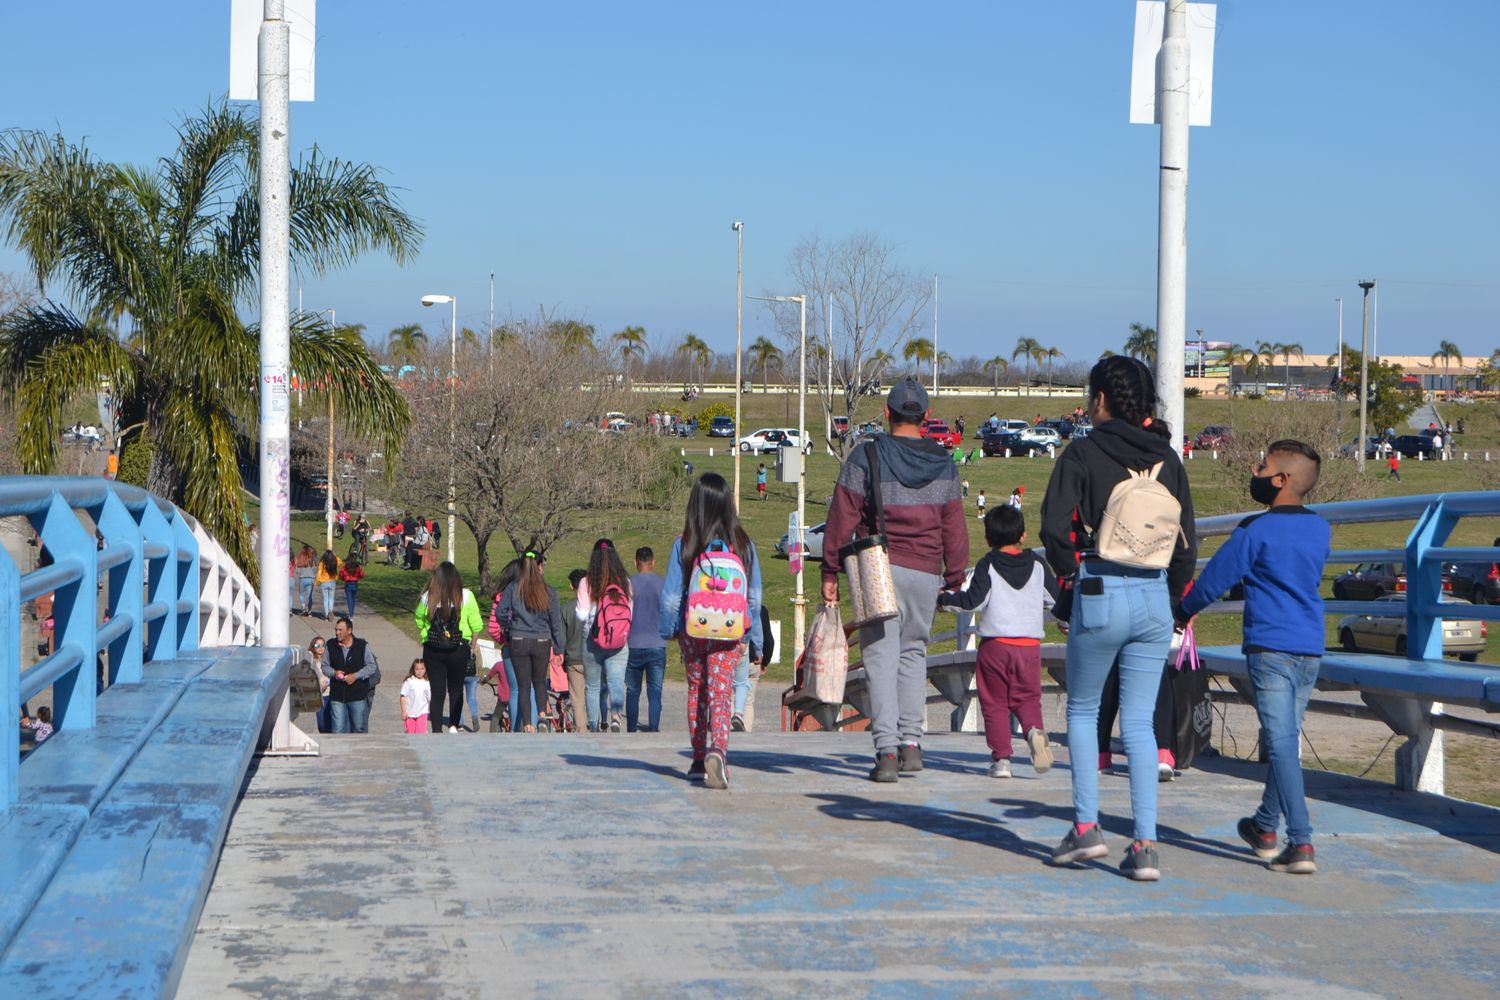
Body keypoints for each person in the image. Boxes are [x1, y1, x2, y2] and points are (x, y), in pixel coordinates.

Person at [1039, 356, 1198, 882]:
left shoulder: (1083, 451)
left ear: (1101, 400)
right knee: (1138, 721)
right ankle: (1145, 845)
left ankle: (1086, 830)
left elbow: (1054, 530)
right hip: (1154, 598)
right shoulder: (1169, 460)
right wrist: (1169, 600)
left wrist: (1072, 583)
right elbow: (1185, 546)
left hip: (1101, 588)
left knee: (1083, 712)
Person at [1176, 440, 1330, 875]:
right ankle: (1264, 827)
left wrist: (1182, 612)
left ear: (1280, 480)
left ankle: (1300, 842)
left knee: (1281, 744)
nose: (1253, 469)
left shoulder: (1254, 531)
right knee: (1286, 740)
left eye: (1261, 465)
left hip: (1269, 646)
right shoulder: (1321, 529)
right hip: (1310, 647)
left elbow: (1213, 582)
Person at [822, 377, 968, 782]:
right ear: (926, 417)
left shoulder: (866, 456)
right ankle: (911, 744)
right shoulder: (944, 464)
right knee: (913, 654)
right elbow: (955, 528)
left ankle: (886, 752)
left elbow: (842, 516)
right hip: (925, 572)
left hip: (877, 570)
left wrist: (830, 569)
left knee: (880, 658)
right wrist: (954, 577)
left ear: (887, 413)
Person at [659, 472, 764, 788]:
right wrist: (753, 638)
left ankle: (696, 759)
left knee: (697, 691)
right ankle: (719, 749)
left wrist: (670, 630)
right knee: (721, 691)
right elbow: (754, 597)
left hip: (694, 630)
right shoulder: (744, 545)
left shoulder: (684, 544)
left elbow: (671, 597)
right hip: (730, 630)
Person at [938, 505, 1058, 778]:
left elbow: (973, 601)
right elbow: (1056, 601)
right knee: (1028, 699)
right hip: (1029, 647)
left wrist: (944, 600)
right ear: (1024, 536)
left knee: (995, 704)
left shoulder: (988, 564)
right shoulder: (1038, 565)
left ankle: (1002, 760)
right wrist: (1064, 622)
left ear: (989, 539)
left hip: (995, 646)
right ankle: (1033, 732)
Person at [495, 550, 565, 733]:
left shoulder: (513, 588)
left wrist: (508, 627)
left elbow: (500, 612)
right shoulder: (549, 591)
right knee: (540, 681)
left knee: (523, 685)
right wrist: (559, 648)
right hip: (542, 639)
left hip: (518, 638)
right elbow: (556, 622)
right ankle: (542, 715)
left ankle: (527, 724)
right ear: (540, 567)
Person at [415, 561, 484, 733]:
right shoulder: (466, 596)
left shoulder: (428, 598)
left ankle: (437, 730)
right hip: (459, 648)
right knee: (456, 689)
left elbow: (418, 619)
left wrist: (426, 637)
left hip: (433, 649)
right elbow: (477, 625)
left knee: (437, 692)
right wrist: (472, 646)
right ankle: (454, 725)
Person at [577, 539, 634, 733]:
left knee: (592, 686)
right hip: (618, 637)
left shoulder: (587, 581)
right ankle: (616, 716)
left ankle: (593, 725)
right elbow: (630, 612)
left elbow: (582, 614)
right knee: (616, 680)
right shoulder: (624, 581)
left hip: (593, 637)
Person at [626, 546, 667, 732]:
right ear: (653, 562)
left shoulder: (628, 584)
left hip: (633, 643)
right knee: (655, 691)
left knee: (633, 691)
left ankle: (632, 728)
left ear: (635, 563)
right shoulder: (662, 583)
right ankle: (654, 727)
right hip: (657, 643)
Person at [324, 616, 379, 733]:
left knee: (358, 728)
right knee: (337, 729)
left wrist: (356, 675)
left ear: (349, 631)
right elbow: (325, 666)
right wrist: (334, 673)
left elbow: (371, 666)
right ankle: (339, 751)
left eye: (340, 630)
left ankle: (358, 751)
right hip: (337, 695)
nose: (337, 633)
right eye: (336, 630)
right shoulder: (330, 645)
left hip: (357, 695)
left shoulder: (362, 645)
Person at [561, 569, 588, 729]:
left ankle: (582, 729)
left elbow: (562, 638)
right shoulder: (595, 605)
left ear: (572, 586)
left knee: (577, 698)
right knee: (593, 694)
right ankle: (596, 724)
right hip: (592, 658)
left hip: (573, 658)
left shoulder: (565, 609)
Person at [400, 659, 432, 734]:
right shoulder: (409, 681)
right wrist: (403, 711)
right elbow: (403, 696)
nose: (419, 671)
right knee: (410, 733)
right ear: (413, 669)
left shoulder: (427, 682)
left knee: (421, 732)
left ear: (425, 669)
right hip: (410, 712)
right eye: (417, 669)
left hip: (422, 711)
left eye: (422, 669)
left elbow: (430, 698)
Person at [307, 637, 331, 733]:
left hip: (330, 695)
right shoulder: (311, 662)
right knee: (321, 724)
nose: (321, 648)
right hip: (319, 696)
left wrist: (328, 682)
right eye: (317, 645)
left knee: (331, 722)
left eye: (323, 645)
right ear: (313, 647)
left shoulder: (329, 660)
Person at [315, 549, 341, 620]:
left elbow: (319, 572)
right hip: (332, 581)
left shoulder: (322, 563)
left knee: (325, 599)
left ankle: (327, 615)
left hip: (324, 582)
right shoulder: (334, 560)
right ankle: (330, 611)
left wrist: (317, 581)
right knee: (331, 598)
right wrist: (335, 556)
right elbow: (340, 562)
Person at [339, 554, 364, 620]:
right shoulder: (358, 567)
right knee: (353, 599)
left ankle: (351, 614)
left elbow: (341, 574)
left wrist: (343, 579)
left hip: (348, 583)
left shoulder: (345, 567)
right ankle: (351, 614)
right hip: (355, 583)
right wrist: (358, 578)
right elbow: (362, 574)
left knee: (349, 599)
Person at [294, 544, 316, 615]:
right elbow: (315, 569)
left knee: (301, 594)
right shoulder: (313, 558)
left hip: (302, 578)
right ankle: (309, 611)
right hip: (311, 579)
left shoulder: (300, 558)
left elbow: (297, 571)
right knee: (309, 595)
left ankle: (303, 608)